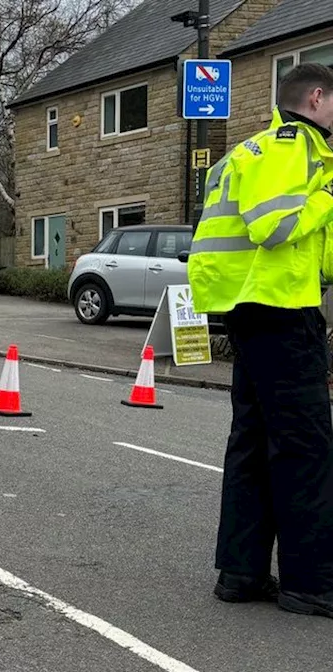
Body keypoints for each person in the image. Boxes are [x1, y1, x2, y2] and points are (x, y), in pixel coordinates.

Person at [188, 62, 333, 618]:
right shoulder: (290, 149)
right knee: (304, 448)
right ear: (317, 98)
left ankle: (241, 573)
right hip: (279, 308)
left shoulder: (249, 150)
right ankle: (312, 583)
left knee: (252, 442)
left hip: (248, 308)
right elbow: (274, 228)